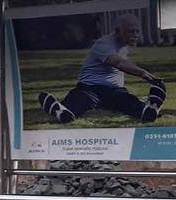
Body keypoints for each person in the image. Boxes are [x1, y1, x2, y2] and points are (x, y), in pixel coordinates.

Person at [37, 14, 166, 125]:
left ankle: (148, 110)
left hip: (114, 91)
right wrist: (143, 73)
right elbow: (118, 63)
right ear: (117, 31)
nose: (135, 35)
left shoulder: (123, 46)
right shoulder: (104, 43)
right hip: (91, 88)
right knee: (80, 99)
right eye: (131, 31)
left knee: (126, 100)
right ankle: (63, 111)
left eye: (137, 31)